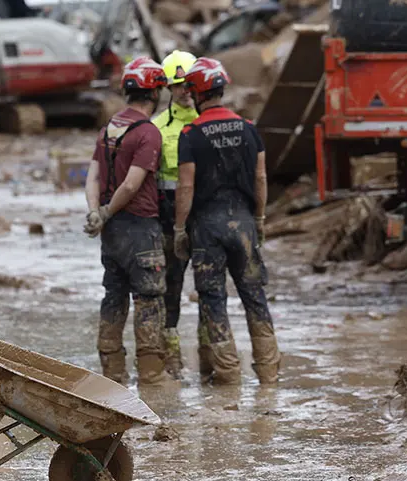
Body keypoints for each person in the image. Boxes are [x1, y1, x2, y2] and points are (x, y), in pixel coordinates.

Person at [173, 57, 281, 385]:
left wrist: (179, 228)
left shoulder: (191, 134)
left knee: (213, 298)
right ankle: (268, 374)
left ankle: (229, 375)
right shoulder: (249, 129)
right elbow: (261, 178)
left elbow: (186, 186)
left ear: (196, 92)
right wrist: (259, 218)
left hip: (207, 228)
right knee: (254, 295)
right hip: (245, 224)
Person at [83, 57, 168, 386]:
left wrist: (96, 212)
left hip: (112, 232)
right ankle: (151, 377)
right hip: (140, 227)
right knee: (148, 300)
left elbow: (92, 177)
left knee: (114, 296)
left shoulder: (109, 127)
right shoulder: (148, 132)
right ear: (155, 92)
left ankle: (113, 377)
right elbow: (132, 184)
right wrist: (107, 211)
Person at [152, 50, 199, 380]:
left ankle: (213, 361)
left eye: (190, 85)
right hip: (169, 219)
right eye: (178, 85)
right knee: (171, 287)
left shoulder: (207, 122)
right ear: (168, 87)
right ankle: (171, 358)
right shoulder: (156, 128)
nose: (185, 91)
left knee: (211, 289)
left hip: (205, 217)